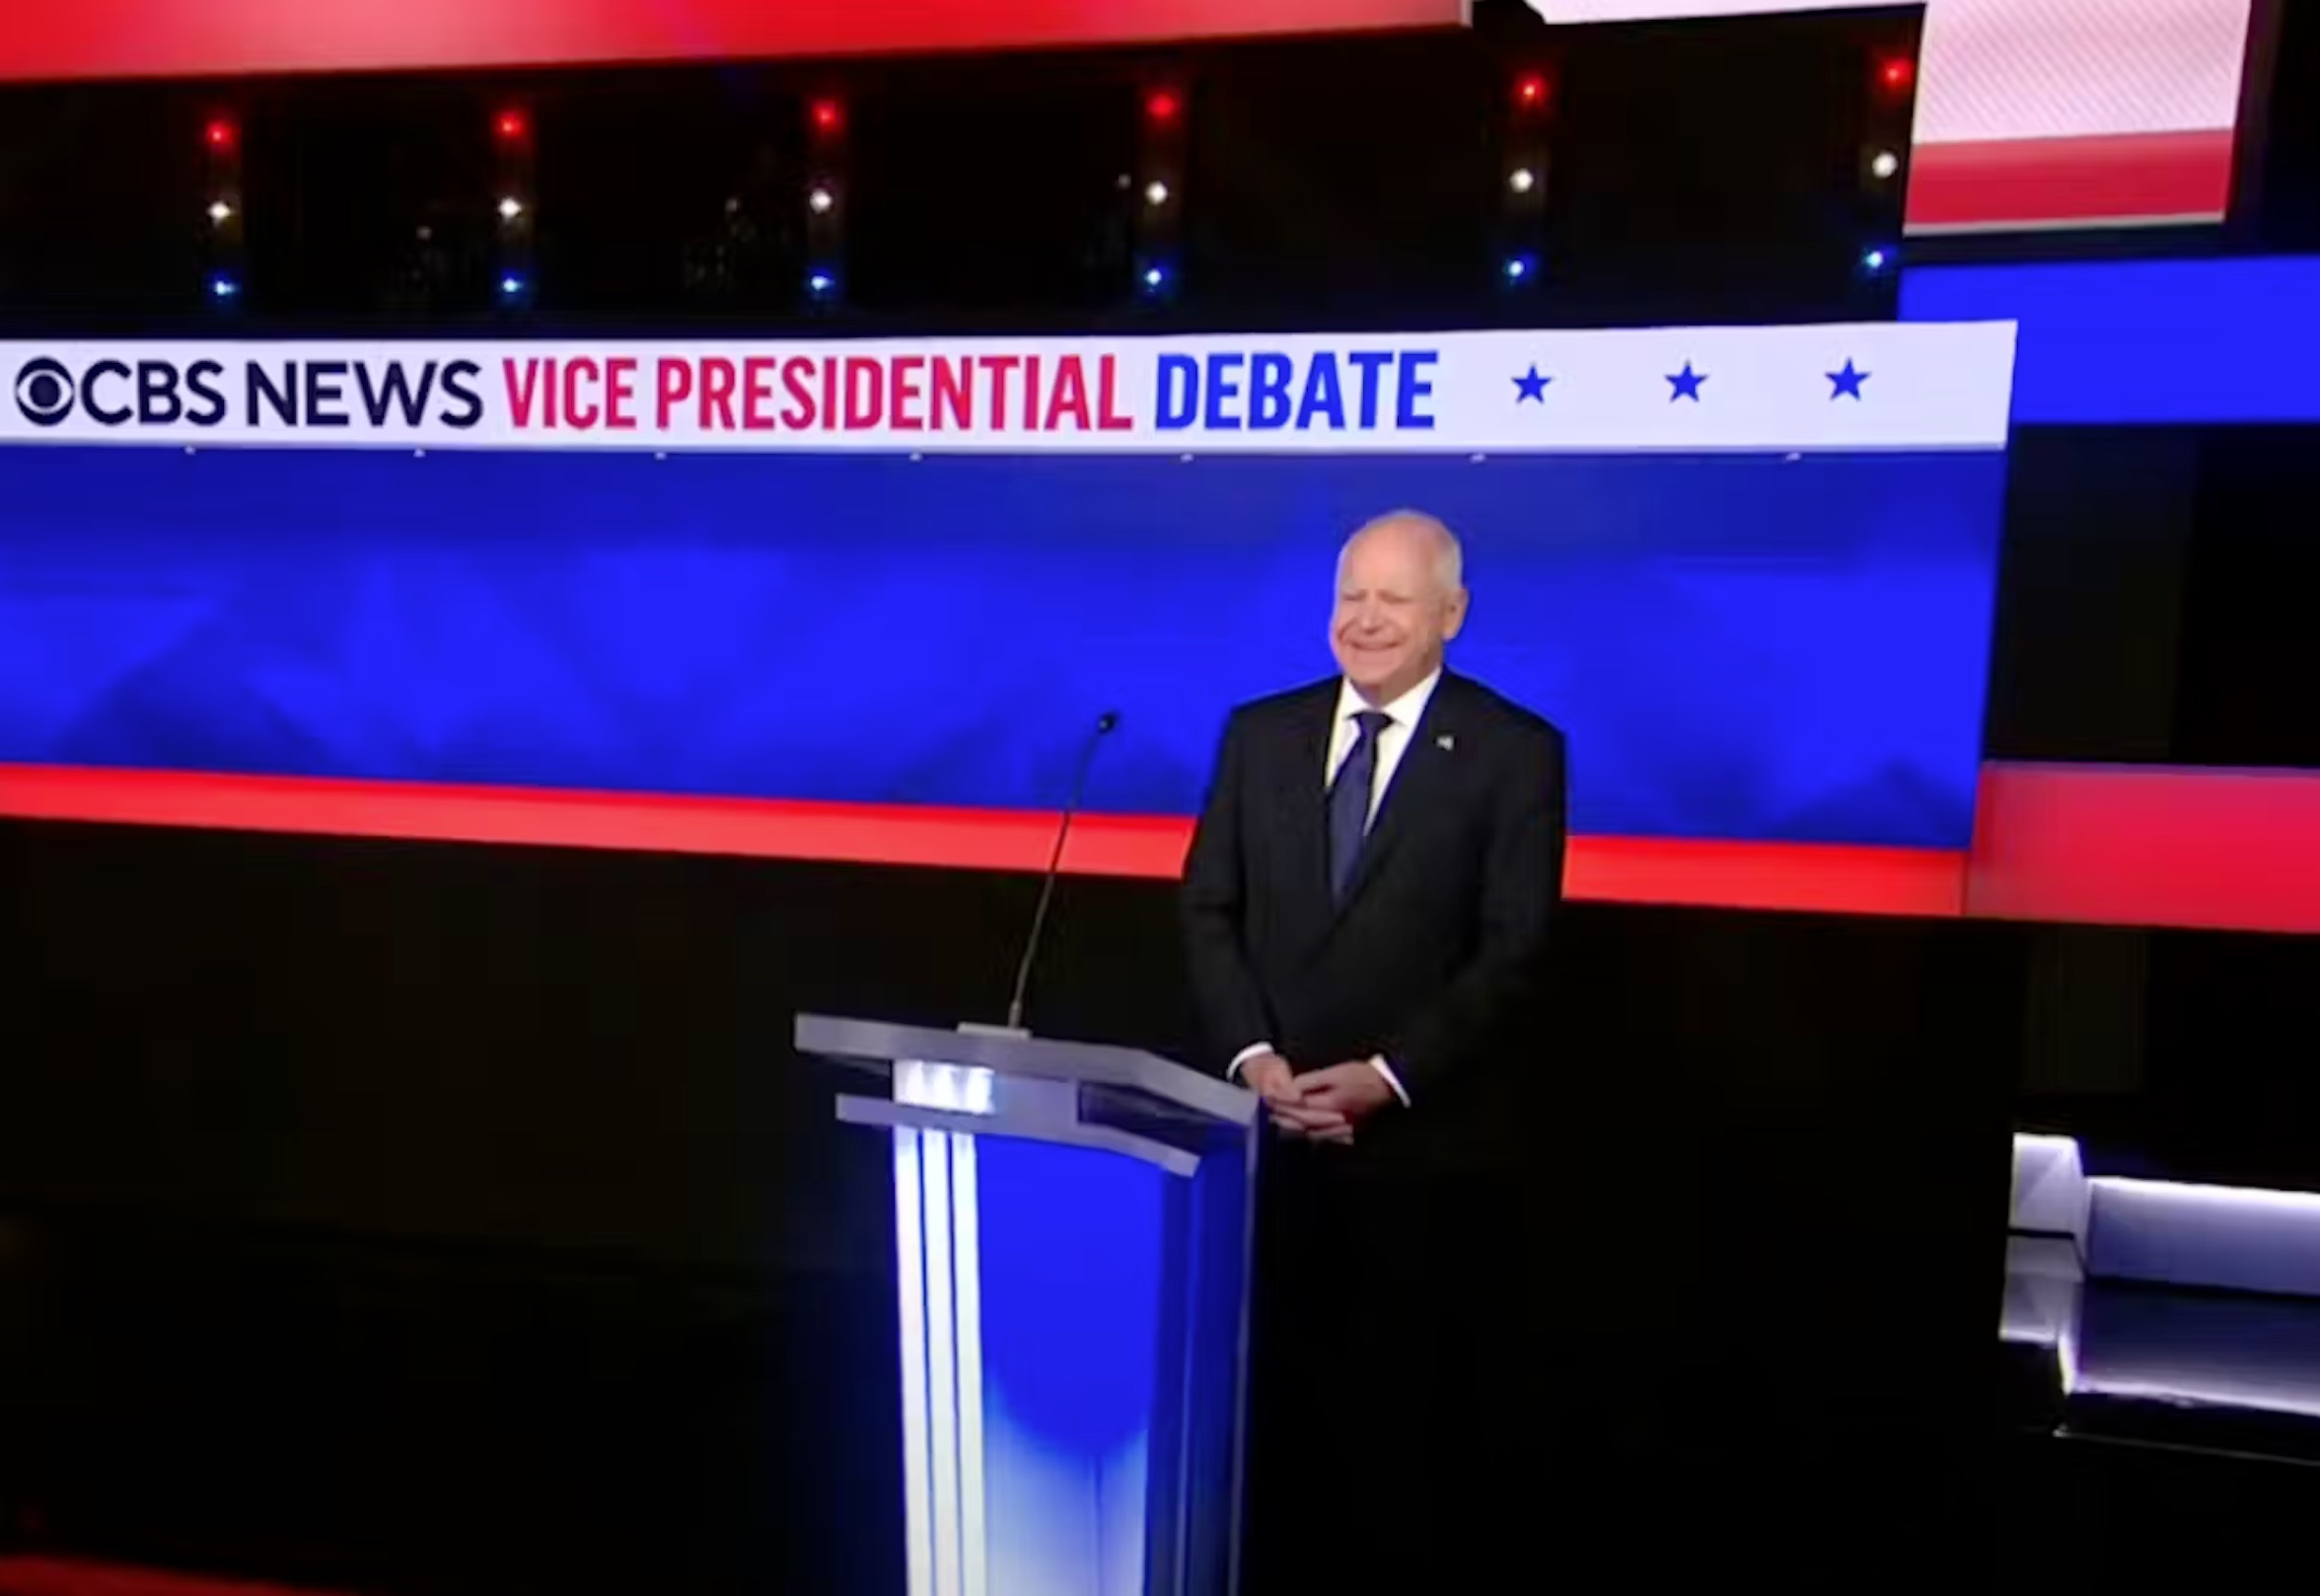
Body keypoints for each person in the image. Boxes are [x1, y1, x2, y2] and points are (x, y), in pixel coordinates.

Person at [1181, 509, 1567, 1592]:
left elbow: (1514, 950)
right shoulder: (1260, 734)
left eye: (1393, 599)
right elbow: (1209, 908)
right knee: (1262, 1435)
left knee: (1396, 1450)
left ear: (1452, 614)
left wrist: (1389, 1076)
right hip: (1263, 1157)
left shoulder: (1516, 752)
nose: (1366, 618)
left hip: (1425, 1168)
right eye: (1352, 595)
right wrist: (1255, 1058)